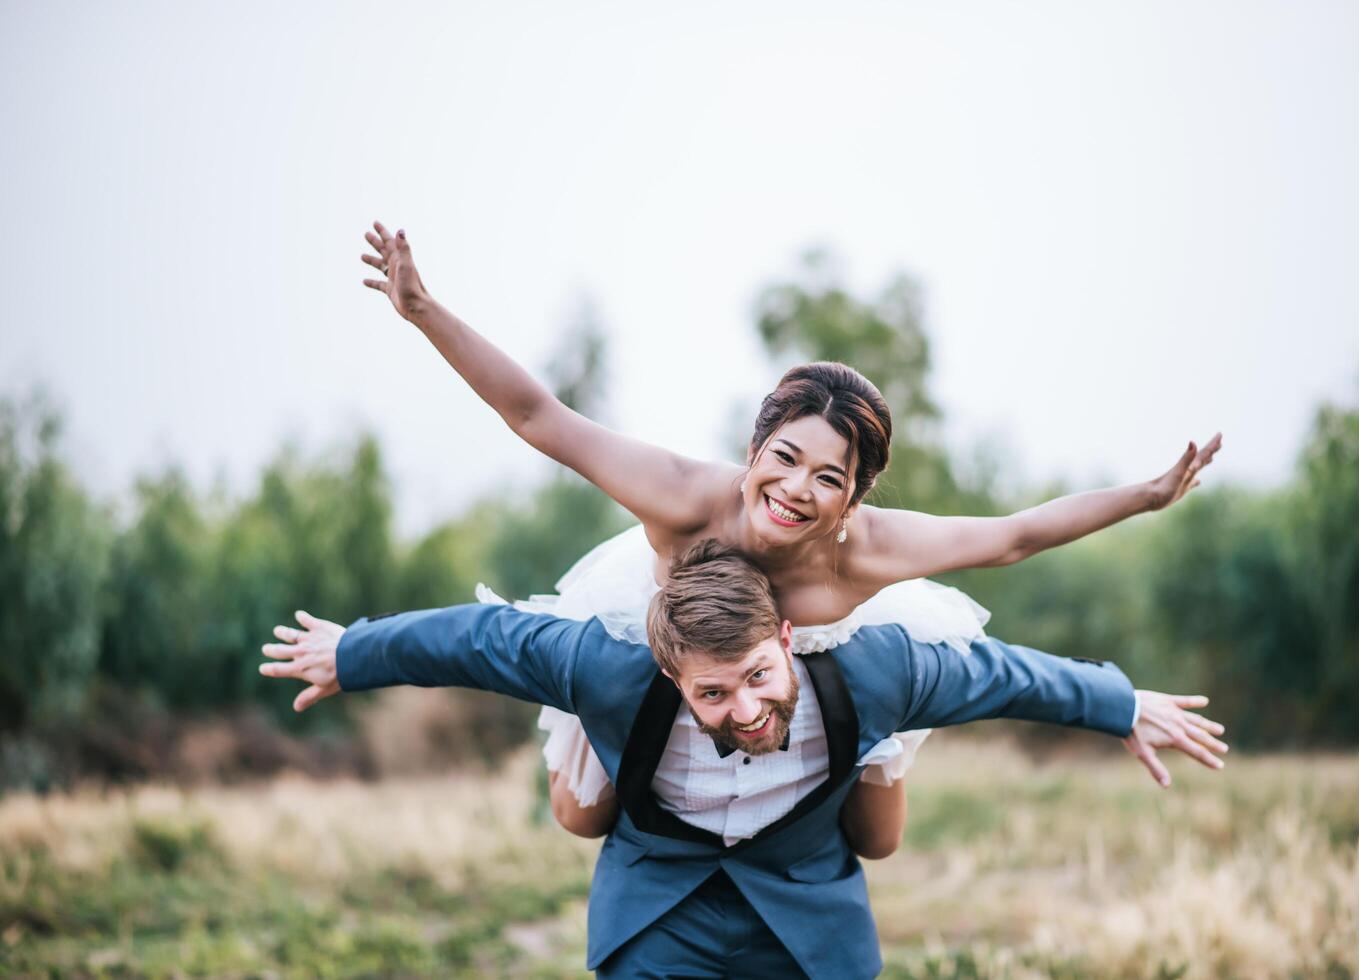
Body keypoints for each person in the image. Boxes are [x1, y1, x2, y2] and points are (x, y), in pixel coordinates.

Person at [359, 221, 1223, 854]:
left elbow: (1013, 536)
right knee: (581, 817)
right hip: (675, 636)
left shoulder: (869, 550)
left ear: (855, 496)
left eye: (829, 478)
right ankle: (631, 761)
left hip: (820, 665)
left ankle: (831, 778)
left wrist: (1144, 496)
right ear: (753, 447)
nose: (796, 491)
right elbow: (536, 415)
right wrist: (423, 310)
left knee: (878, 841)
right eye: (784, 458)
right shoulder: (684, 500)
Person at [259, 541, 1227, 978]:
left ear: (785, 637)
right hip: (657, 911)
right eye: (713, 694)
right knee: (581, 804)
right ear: (673, 675)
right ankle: (582, 768)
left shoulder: (872, 669)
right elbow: (480, 640)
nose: (748, 708)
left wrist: (1119, 703)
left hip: (806, 913)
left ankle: (873, 770)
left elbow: (1000, 673)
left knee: (877, 830)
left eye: (760, 677)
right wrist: (354, 652)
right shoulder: (606, 668)